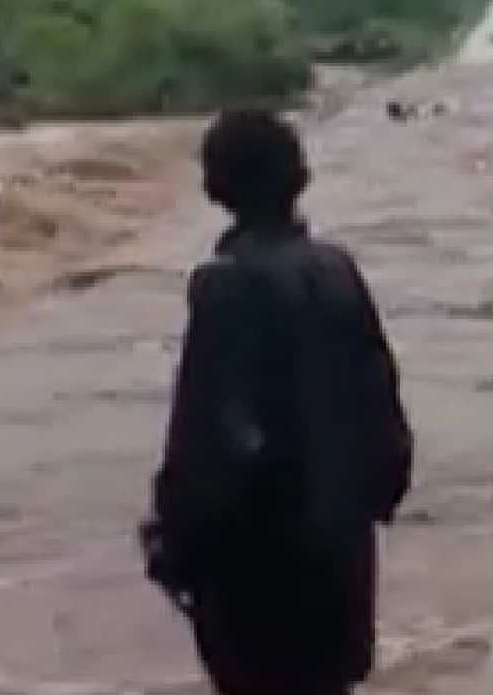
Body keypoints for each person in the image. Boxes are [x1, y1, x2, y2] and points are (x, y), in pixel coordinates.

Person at [141, 108, 413, 695]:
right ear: (298, 177)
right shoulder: (339, 270)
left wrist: (174, 537)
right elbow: (384, 410)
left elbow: (206, 431)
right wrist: (368, 503)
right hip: (340, 548)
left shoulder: (223, 287)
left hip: (260, 559)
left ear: (217, 186)